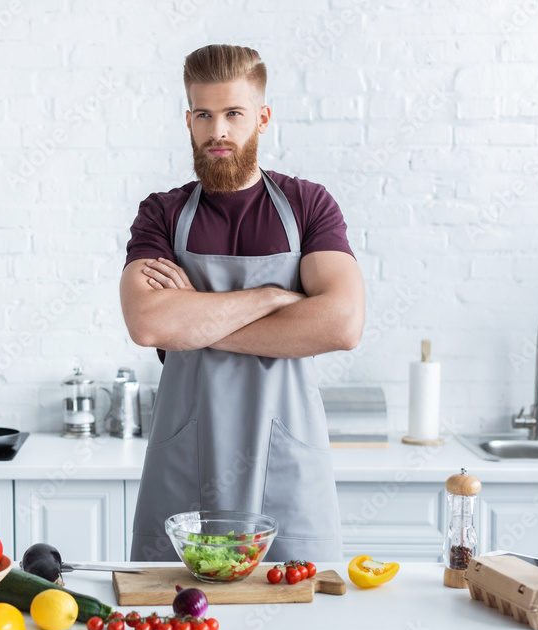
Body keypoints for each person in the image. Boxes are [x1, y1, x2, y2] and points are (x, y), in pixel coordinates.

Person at [121, 44, 365, 563]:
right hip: (189, 456)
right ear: (188, 121)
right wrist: (273, 298)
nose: (219, 132)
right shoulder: (160, 214)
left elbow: (342, 324)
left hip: (286, 462)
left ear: (262, 117)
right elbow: (148, 323)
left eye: (234, 114)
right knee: (177, 620)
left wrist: (194, 319)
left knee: (293, 625)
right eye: (204, 115)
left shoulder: (307, 206)